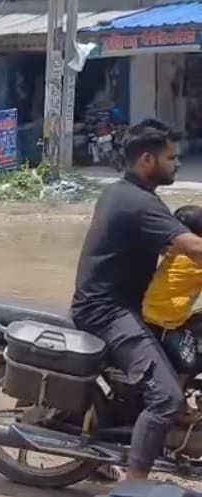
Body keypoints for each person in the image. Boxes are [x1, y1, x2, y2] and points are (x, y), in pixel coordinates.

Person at [72, 118, 202, 481]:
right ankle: (136, 485)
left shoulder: (122, 193)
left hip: (125, 306)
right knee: (166, 399)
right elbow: (192, 246)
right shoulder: (138, 204)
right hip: (108, 312)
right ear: (147, 160)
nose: (177, 163)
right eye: (171, 158)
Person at [142, 204, 202, 420]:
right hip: (163, 322)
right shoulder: (193, 259)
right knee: (189, 362)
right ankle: (176, 407)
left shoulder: (176, 250)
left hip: (163, 314)